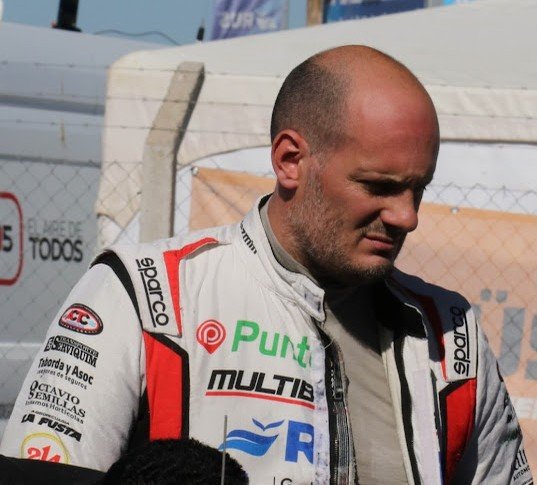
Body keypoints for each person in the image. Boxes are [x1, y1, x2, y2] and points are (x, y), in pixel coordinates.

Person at [0, 45, 531, 484]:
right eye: (379, 187)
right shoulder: (143, 294)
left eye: (419, 189)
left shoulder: (452, 333)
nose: (407, 216)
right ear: (290, 161)